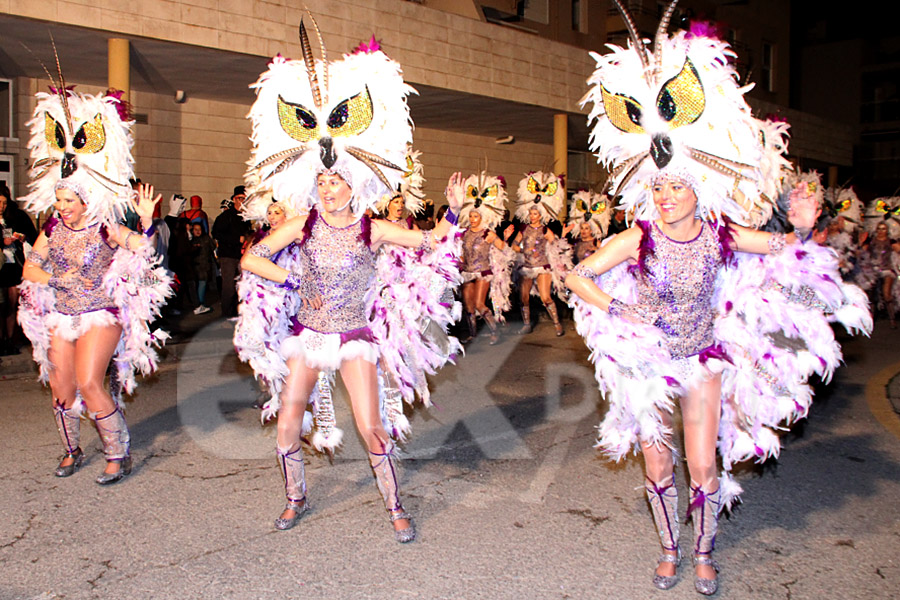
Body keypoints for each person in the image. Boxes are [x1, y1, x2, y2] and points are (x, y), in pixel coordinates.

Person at [571, 6, 872, 595]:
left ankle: (704, 550)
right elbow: (580, 275)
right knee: (657, 463)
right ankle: (668, 547)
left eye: (675, 186)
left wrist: (806, 226)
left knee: (703, 463)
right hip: (648, 359)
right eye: (657, 186)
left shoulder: (723, 235)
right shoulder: (638, 236)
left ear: (697, 189)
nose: (663, 196)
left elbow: (785, 246)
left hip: (703, 355)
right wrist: (615, 309)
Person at [236, 25, 463, 543]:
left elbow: (429, 242)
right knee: (288, 424)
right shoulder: (303, 225)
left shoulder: (373, 228)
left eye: (336, 181)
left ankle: (395, 505)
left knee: (370, 425)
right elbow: (254, 259)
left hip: (356, 338)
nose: (328, 188)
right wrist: (290, 277)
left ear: (353, 184)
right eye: (321, 181)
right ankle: (296, 497)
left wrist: (451, 212)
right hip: (309, 336)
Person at [17, 83, 171, 485]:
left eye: (69, 202)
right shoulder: (51, 230)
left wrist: (147, 221)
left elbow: (144, 250)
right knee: (62, 389)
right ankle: (71, 449)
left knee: (89, 381)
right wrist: (55, 277)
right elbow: (29, 271)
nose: (63, 209)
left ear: (86, 201)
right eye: (59, 202)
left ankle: (118, 453)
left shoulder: (106, 227)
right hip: (61, 313)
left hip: (101, 312)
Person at [511, 171, 571, 336]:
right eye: (530, 214)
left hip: (543, 266)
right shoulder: (523, 229)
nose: (532, 216)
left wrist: (564, 236)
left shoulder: (545, 229)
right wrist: (523, 250)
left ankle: (557, 323)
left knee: (545, 297)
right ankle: (526, 324)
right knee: (523, 297)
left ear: (541, 215)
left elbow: (557, 246)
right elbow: (514, 245)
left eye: (535, 214)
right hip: (527, 266)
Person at [457, 171, 514, 343]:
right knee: (469, 307)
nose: (473, 219)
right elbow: (459, 252)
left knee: (480, 304)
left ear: (483, 217)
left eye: (476, 216)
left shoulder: (488, 233)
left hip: (483, 272)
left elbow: (505, 250)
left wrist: (504, 238)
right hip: (467, 272)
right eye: (471, 216)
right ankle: (472, 335)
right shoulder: (464, 233)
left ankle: (495, 332)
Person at [1, 183, 38, 355]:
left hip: (13, 266)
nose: (1, 207)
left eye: (4, 203)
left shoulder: (16, 216)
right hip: (1, 265)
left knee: (13, 301)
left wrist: (20, 238)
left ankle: (10, 340)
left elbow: (32, 235)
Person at [212, 186, 250, 318]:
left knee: (243, 285)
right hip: (228, 256)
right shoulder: (225, 217)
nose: (243, 202)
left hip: (243, 256)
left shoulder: (247, 217)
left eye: (246, 199)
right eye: (241, 199)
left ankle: (239, 312)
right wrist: (236, 239)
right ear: (234, 199)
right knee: (229, 287)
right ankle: (227, 315)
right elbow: (216, 233)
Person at [189, 222, 216, 314]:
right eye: (195, 229)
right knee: (198, 285)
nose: (198, 231)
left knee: (202, 284)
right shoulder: (190, 240)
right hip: (195, 266)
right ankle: (199, 304)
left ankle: (200, 303)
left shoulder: (206, 239)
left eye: (199, 229)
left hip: (204, 266)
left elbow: (213, 248)